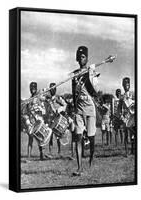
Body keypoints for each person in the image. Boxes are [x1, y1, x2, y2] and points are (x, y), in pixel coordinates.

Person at [72, 46, 99, 176]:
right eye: (80, 57)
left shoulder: (92, 72)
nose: (81, 59)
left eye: (83, 57)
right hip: (79, 109)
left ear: (87, 58)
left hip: (90, 109)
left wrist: (90, 74)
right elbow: (73, 94)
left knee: (91, 137)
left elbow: (94, 91)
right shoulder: (74, 74)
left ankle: (91, 159)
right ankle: (79, 167)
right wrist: (73, 108)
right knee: (78, 137)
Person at [22, 82, 46, 160]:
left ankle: (42, 155)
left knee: (40, 138)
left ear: (36, 88)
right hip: (32, 120)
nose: (32, 90)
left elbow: (45, 99)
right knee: (30, 138)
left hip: (39, 119)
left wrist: (41, 94)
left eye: (34, 88)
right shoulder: (29, 100)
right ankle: (28, 156)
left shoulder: (39, 96)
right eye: (31, 88)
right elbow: (26, 111)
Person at [45, 82, 67, 157]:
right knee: (50, 136)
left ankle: (59, 152)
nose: (52, 90)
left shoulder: (57, 97)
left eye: (53, 89)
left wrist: (59, 110)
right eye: (50, 89)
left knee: (58, 136)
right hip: (50, 119)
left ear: (55, 89)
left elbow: (64, 105)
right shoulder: (48, 98)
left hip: (57, 118)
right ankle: (50, 152)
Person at [119, 77, 135, 156]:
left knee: (133, 134)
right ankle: (126, 152)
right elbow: (119, 107)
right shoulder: (122, 97)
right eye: (124, 84)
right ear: (122, 85)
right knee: (125, 135)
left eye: (127, 84)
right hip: (125, 117)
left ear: (129, 84)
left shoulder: (133, 94)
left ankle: (133, 150)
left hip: (133, 116)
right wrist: (120, 115)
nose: (126, 85)